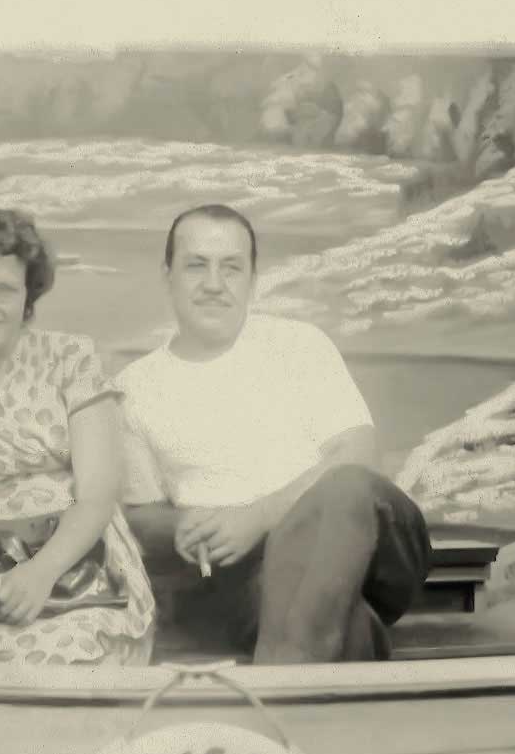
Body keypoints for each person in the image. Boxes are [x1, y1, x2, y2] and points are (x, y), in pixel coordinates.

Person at [116, 204, 432, 664]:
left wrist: (258, 517)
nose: (214, 284)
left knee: (344, 488)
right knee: (337, 619)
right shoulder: (134, 387)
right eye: (196, 265)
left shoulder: (299, 345)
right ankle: (318, 667)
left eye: (231, 268)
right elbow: (141, 514)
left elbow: (359, 455)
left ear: (252, 280)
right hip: (249, 580)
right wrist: (184, 525)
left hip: (368, 547)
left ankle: (284, 684)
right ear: (168, 276)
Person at [0, 205, 155, 666]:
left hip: (80, 572)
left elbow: (99, 493)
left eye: (7, 289)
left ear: (27, 298)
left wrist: (41, 572)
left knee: (57, 656)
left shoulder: (69, 359)